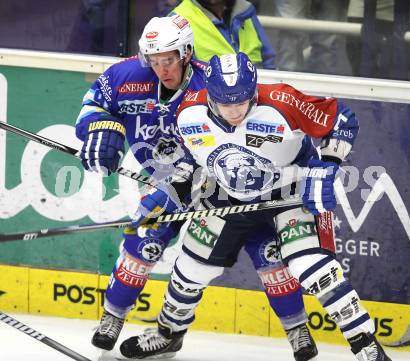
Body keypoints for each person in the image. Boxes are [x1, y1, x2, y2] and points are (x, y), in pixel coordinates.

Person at [118, 52, 392, 361]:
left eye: (242, 103)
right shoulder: (188, 112)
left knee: (315, 271)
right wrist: (171, 191)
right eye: (226, 104)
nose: (235, 112)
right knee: (189, 269)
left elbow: (341, 118)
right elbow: (190, 164)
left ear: (254, 92)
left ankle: (366, 345)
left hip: (289, 192)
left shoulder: (282, 101)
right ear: (210, 98)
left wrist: (326, 166)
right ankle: (169, 334)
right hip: (227, 195)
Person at [75, 15, 317, 361]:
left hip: (224, 186)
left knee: (268, 254)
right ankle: (114, 318)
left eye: (169, 59)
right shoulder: (125, 76)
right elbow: (93, 105)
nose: (162, 69)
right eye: (155, 61)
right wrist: (101, 128)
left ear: (186, 52)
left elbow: (245, 136)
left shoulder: (211, 85)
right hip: (165, 186)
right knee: (143, 244)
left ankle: (297, 329)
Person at [172, 0, 276, 69]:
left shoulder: (245, 9)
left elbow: (269, 60)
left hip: (258, 91)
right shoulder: (177, 20)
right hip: (209, 97)